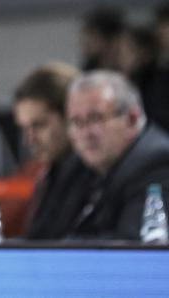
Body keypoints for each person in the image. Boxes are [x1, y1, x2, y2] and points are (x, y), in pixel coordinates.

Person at [67, 71, 169, 240]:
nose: (86, 133)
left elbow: (132, 243)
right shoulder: (80, 166)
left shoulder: (157, 163)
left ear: (132, 119)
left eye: (96, 119)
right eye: (77, 122)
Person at [12, 62, 91, 239]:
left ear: (71, 117)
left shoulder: (95, 179)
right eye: (24, 128)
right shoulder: (52, 174)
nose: (29, 140)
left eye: (39, 125)